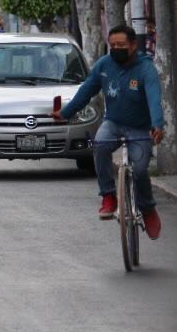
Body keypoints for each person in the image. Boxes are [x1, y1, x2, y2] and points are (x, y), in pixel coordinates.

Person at [53, 25, 165, 239]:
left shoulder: (145, 69)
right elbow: (87, 90)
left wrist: (157, 125)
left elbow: (154, 99)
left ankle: (148, 208)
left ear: (133, 46)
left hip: (140, 128)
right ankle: (108, 196)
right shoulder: (104, 65)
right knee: (100, 145)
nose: (116, 49)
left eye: (121, 45)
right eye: (112, 45)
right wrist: (66, 112)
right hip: (113, 122)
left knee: (140, 170)